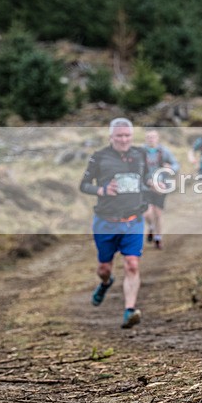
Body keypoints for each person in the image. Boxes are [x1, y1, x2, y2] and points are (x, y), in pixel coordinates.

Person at [80, 118, 154, 329]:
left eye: (127, 135)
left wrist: (153, 182)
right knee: (104, 268)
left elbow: (146, 177)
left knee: (132, 264)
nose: (124, 140)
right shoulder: (99, 157)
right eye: (119, 136)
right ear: (111, 137)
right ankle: (106, 282)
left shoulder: (140, 154)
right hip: (106, 222)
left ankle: (129, 310)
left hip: (133, 221)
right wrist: (102, 190)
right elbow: (84, 185)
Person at [142, 129, 180, 249]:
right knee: (146, 213)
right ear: (145, 139)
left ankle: (158, 238)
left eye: (153, 137)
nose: (151, 139)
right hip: (145, 186)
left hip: (161, 186)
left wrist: (170, 168)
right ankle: (151, 227)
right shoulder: (140, 152)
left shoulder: (164, 151)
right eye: (148, 137)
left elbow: (176, 165)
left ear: (157, 138)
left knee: (158, 213)